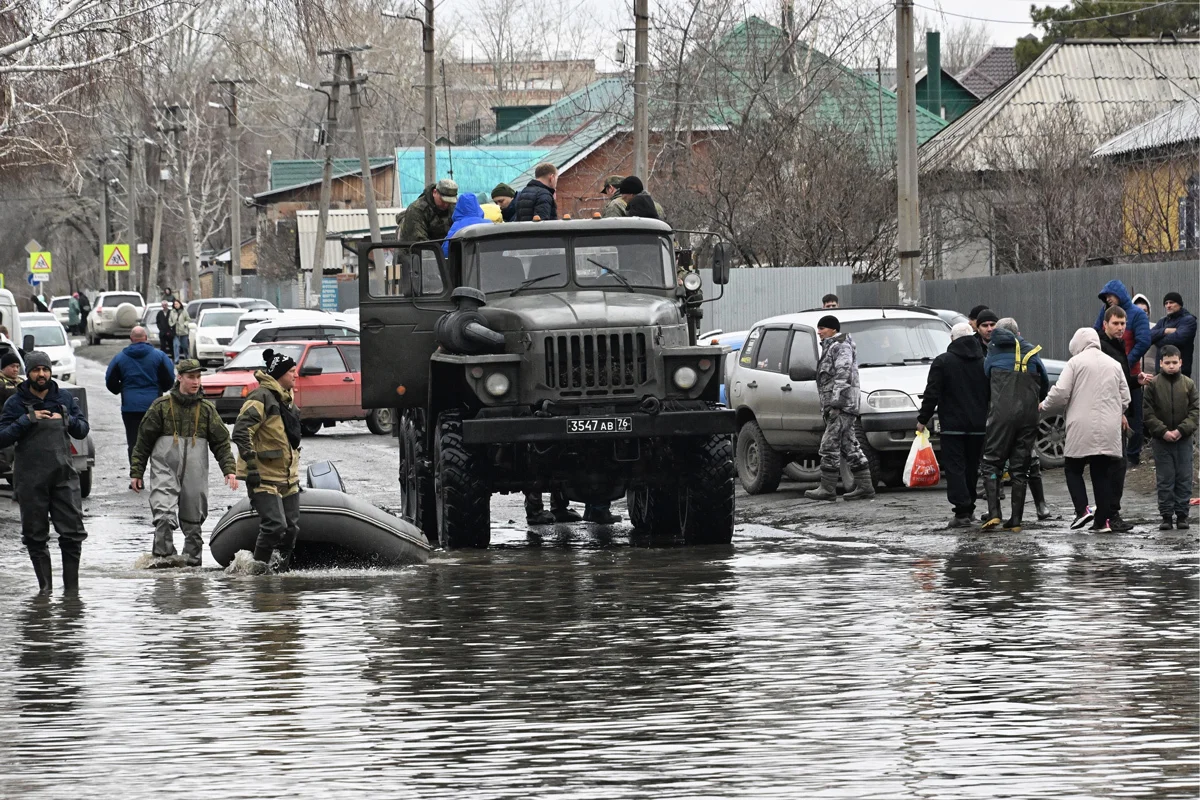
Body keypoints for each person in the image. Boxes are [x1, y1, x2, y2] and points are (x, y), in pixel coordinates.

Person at [129, 359, 239, 566]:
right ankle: (163, 562)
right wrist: (137, 471)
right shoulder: (160, 407)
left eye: (198, 377)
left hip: (195, 472)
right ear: (179, 377)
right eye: (191, 377)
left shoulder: (207, 410)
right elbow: (143, 441)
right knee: (163, 514)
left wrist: (229, 470)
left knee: (194, 520)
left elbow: (222, 443)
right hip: (165, 469)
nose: (196, 381)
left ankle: (191, 569)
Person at [0, 351, 89, 593]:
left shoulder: (64, 398)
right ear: (28, 373)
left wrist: (67, 419)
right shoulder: (15, 403)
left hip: (63, 476)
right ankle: (45, 592)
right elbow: (2, 437)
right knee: (35, 536)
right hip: (30, 479)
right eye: (36, 370)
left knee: (72, 534)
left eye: (45, 370)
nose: (42, 374)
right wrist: (27, 419)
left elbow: (82, 430)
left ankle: (72, 593)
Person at [1040, 328, 1130, 534]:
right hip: (1109, 426)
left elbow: (1061, 393)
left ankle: (1082, 510)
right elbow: (1125, 398)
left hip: (1081, 425)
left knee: (1073, 467)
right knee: (1101, 473)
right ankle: (1101, 522)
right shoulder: (1114, 364)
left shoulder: (1075, 363)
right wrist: (1116, 411)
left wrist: (1044, 405)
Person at [232, 348, 303, 573]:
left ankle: (281, 572)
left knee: (291, 529)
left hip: (287, 476)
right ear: (279, 373)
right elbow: (241, 432)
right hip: (262, 475)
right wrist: (251, 466)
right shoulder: (260, 397)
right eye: (292, 371)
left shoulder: (288, 400)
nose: (296, 375)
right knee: (275, 526)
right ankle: (258, 573)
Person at [981, 317, 1049, 531]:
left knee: (992, 462)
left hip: (1002, 415)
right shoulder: (1031, 352)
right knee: (1020, 467)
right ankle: (1016, 519)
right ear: (1018, 333)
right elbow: (1044, 382)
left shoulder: (993, 353)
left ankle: (994, 513)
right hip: (1028, 416)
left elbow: (986, 378)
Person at [917, 323, 988, 527]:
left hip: (952, 426)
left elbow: (932, 393)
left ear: (952, 339)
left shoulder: (943, 362)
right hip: (978, 426)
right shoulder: (983, 361)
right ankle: (970, 507)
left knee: (955, 467)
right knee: (972, 467)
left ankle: (961, 512)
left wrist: (923, 419)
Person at [804, 315, 874, 501]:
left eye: (823, 328)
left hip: (841, 405)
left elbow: (843, 374)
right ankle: (865, 487)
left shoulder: (840, 346)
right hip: (840, 405)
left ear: (833, 329)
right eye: (818, 328)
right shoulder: (832, 346)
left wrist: (836, 402)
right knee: (848, 444)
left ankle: (827, 488)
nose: (819, 332)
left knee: (829, 444)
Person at [1092, 280, 1150, 464]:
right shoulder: (1104, 312)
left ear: (1120, 294)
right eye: (1106, 296)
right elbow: (1094, 335)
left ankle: (1132, 456)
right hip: (1105, 374)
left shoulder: (1137, 315)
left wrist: (1124, 362)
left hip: (1130, 374)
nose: (1108, 299)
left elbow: (1143, 342)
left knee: (1133, 416)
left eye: (1111, 295)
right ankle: (1110, 453)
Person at [1143, 345, 1197, 530]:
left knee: (1184, 476)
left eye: (1175, 362)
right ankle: (1166, 515)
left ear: (1181, 362)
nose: (1171, 366)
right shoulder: (1153, 385)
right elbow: (1148, 413)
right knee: (1165, 478)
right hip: (1161, 441)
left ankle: (1182, 515)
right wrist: (1163, 431)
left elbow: (1195, 411)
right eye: (1167, 363)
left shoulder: (1188, 384)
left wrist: (1181, 430)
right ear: (1161, 363)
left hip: (1184, 440)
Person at [106, 326, 174, 461]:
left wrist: (121, 389)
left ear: (131, 339)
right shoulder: (159, 356)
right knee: (156, 442)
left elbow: (110, 380)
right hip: (154, 405)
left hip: (130, 407)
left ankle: (136, 478)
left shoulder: (120, 358)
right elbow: (169, 379)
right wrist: (161, 389)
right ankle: (157, 477)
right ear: (146, 338)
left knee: (134, 443)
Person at [1098, 306, 1137, 532]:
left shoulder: (1118, 345)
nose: (1121, 328)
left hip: (1117, 411)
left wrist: (1136, 380)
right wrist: (1120, 411)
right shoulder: (1103, 347)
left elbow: (1120, 380)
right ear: (1105, 325)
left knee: (1115, 466)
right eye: (1116, 323)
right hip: (1110, 414)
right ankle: (1111, 515)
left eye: (1123, 324)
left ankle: (1108, 514)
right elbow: (1107, 385)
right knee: (1115, 465)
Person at [1150, 292, 1196, 378]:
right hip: (1161, 372)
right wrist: (1165, 331)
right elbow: (1148, 336)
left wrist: (1157, 340)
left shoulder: (1188, 320)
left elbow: (1178, 339)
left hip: (1181, 373)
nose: (1168, 305)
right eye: (1166, 303)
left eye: (1171, 302)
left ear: (1179, 304)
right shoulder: (1163, 321)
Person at [398, 178, 458, 244]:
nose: (446, 204)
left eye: (449, 201)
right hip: (412, 250)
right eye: (443, 200)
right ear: (434, 192)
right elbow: (418, 241)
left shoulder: (454, 205)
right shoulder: (417, 209)